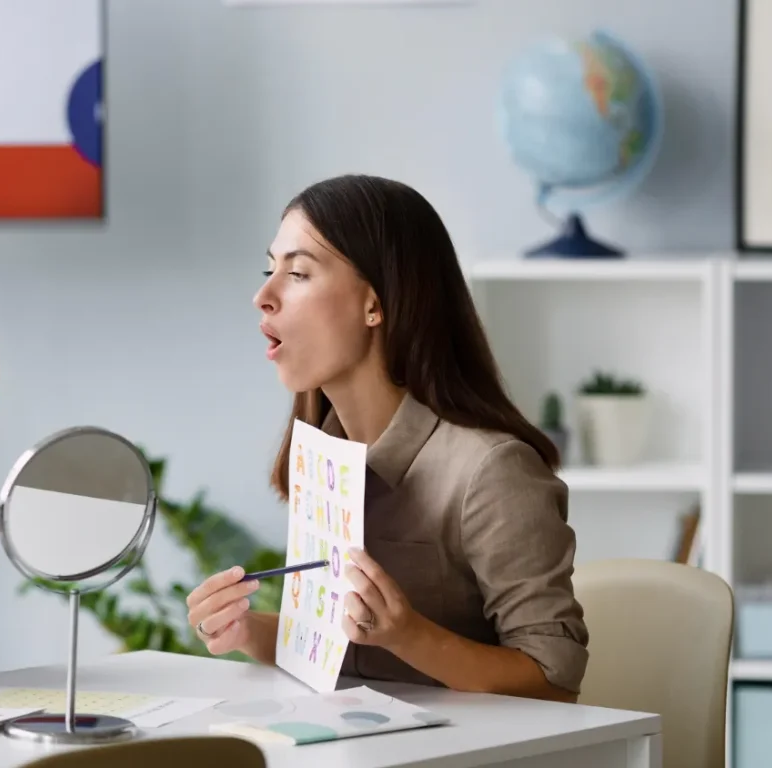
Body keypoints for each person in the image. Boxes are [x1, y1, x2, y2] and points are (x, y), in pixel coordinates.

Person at [185, 174, 589, 702]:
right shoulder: (322, 456)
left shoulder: (492, 470)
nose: (263, 295)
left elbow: (554, 682)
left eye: (298, 273)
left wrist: (410, 634)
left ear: (374, 305)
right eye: (269, 270)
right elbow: (343, 652)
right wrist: (243, 630)